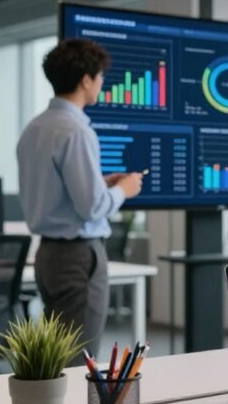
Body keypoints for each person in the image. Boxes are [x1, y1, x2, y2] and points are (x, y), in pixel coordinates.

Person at [17, 39, 144, 363]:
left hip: (47, 255)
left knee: (58, 354)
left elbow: (54, 190)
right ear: (85, 80)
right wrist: (123, 190)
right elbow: (92, 208)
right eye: (100, 76)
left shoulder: (35, 128)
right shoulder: (76, 130)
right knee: (79, 357)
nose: (102, 83)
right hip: (77, 256)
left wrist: (100, 183)